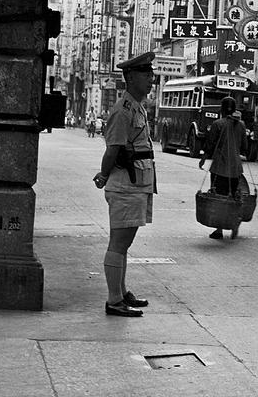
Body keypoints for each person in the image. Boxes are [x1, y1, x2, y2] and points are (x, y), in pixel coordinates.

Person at [92, 52, 157, 318]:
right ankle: (114, 300)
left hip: (136, 182)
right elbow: (113, 149)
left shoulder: (136, 106)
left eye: (151, 74)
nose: (151, 79)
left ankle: (121, 291)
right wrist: (104, 175)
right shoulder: (122, 110)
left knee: (124, 243)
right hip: (125, 185)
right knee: (118, 243)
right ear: (130, 77)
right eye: (146, 75)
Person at [199, 97, 247, 240]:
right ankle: (234, 224)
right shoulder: (242, 125)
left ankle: (219, 230)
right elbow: (244, 147)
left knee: (218, 197)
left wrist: (203, 159)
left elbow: (210, 144)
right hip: (236, 168)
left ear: (221, 109)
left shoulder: (217, 124)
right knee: (233, 196)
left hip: (220, 167)